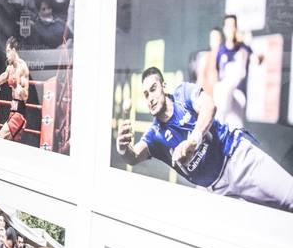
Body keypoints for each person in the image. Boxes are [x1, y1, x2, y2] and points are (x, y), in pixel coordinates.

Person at [116, 66, 293, 211]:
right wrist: (122, 147)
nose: (150, 98)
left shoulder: (183, 93)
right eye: (146, 94)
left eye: (153, 89)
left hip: (237, 160)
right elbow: (132, 157)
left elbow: (209, 107)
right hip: (218, 191)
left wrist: (192, 142)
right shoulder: (154, 135)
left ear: (163, 86)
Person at [214, 13, 263, 130]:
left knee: (236, 129)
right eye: (228, 26)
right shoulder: (221, 50)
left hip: (238, 94)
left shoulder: (243, 48)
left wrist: (251, 53)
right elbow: (218, 72)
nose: (230, 29)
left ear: (236, 28)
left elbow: (257, 59)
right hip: (223, 95)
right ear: (224, 29)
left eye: (233, 26)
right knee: (221, 90)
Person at [0, 36, 30, 143]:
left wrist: (16, 86)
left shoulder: (22, 67)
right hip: (12, 112)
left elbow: (25, 95)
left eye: (8, 51)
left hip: (20, 114)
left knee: (2, 135)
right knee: (11, 143)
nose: (7, 55)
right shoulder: (9, 68)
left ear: (14, 50)